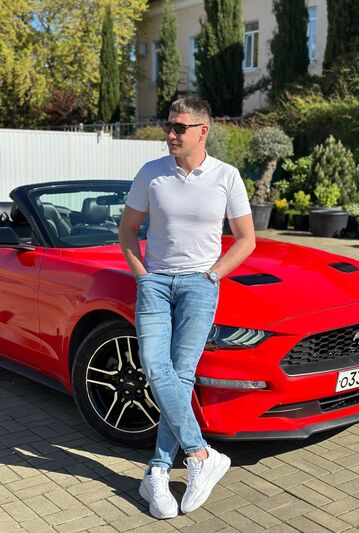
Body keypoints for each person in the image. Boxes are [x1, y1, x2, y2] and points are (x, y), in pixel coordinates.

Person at [119, 96, 255, 519]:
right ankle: (200, 454)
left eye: (180, 127)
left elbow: (246, 239)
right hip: (155, 284)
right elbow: (127, 231)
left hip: (200, 285)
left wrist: (213, 275)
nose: (171, 134)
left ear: (203, 131)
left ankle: (158, 471)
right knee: (154, 366)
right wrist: (143, 276)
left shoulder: (227, 176)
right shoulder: (151, 173)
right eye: (169, 126)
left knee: (180, 375)